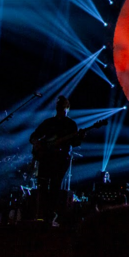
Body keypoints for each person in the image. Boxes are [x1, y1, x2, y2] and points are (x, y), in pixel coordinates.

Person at [29, 96, 83, 224]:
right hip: (46, 157)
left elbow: (75, 143)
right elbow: (33, 137)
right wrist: (37, 143)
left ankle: (51, 214)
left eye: (63, 107)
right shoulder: (48, 123)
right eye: (60, 107)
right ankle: (42, 213)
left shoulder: (70, 124)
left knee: (55, 185)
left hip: (61, 159)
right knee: (43, 185)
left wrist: (80, 137)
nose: (62, 110)